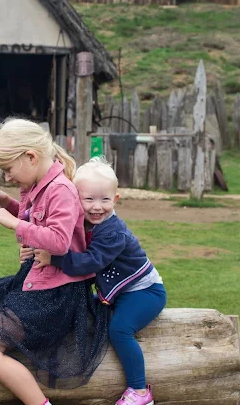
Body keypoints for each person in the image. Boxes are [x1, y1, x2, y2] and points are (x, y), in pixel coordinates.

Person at [0, 119, 109, 405]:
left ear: (30, 157)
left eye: (8, 169)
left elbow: (58, 240)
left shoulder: (61, 190)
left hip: (57, 294)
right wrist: (7, 202)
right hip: (38, 278)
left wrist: (12, 224)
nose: (7, 177)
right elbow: (35, 216)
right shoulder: (39, 186)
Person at [23, 157, 166, 405]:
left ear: (116, 199)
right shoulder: (83, 221)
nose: (97, 207)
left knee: (120, 330)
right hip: (118, 292)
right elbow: (43, 218)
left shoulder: (113, 232)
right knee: (78, 309)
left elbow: (90, 262)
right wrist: (17, 213)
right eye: (88, 199)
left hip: (144, 292)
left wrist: (53, 259)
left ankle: (140, 392)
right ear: (75, 198)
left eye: (105, 200)